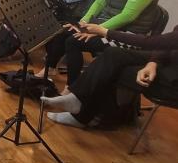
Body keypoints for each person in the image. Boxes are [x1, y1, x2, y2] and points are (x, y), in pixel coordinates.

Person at [42, 22, 178, 128]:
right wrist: (153, 63)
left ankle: (84, 116)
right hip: (169, 62)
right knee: (114, 54)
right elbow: (167, 43)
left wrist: (105, 32)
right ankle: (78, 100)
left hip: (172, 83)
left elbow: (151, 42)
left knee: (114, 69)